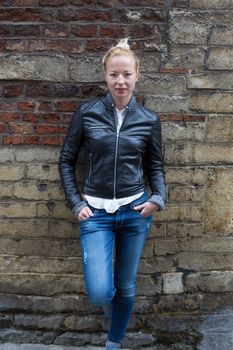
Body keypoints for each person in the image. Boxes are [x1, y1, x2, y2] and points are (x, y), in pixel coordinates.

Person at [58, 38, 166, 350]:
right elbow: (66, 160)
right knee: (101, 291)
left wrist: (158, 197)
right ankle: (113, 313)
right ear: (105, 76)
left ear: (137, 75)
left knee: (127, 286)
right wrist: (76, 202)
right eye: (114, 74)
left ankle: (113, 343)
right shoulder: (87, 113)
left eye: (127, 74)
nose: (120, 81)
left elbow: (155, 164)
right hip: (95, 214)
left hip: (135, 212)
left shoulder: (149, 119)